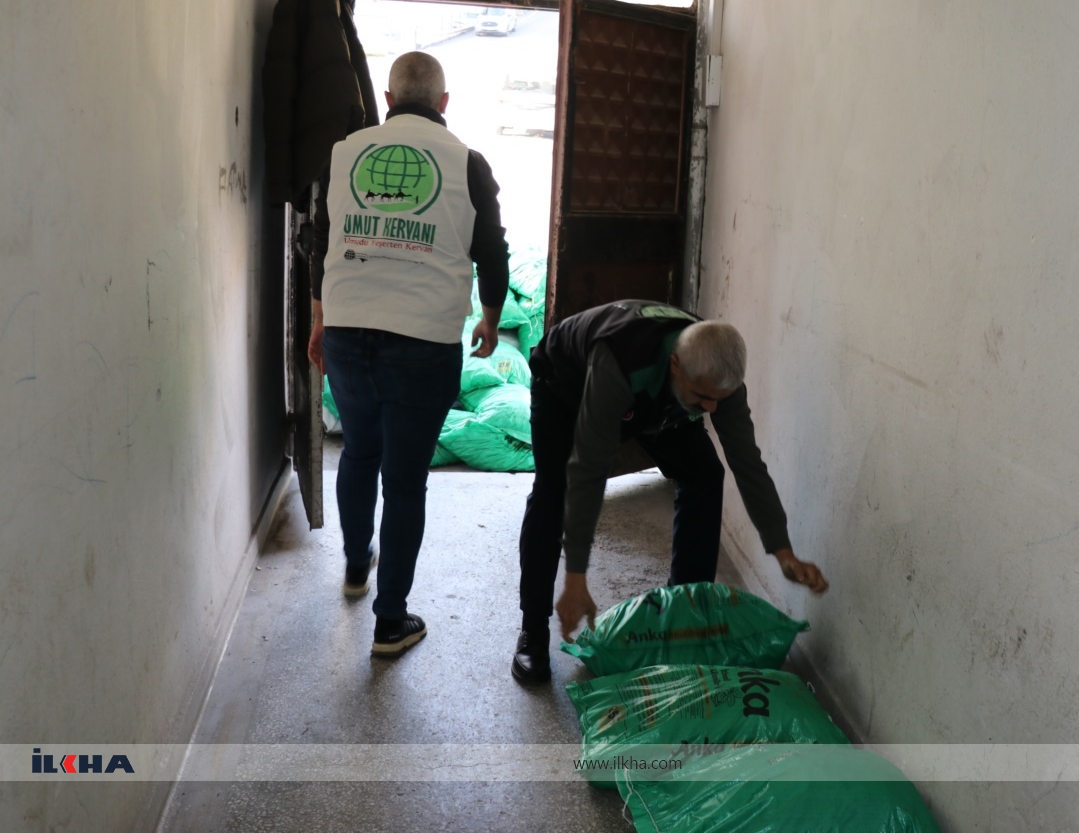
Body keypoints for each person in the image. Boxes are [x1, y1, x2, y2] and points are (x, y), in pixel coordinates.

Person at [308, 51, 509, 657]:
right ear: (443, 103)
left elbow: (322, 241)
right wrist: (490, 317)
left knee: (359, 450)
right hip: (423, 341)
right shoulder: (467, 163)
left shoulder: (344, 153)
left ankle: (355, 565)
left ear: (390, 100)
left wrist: (320, 320)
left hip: (348, 332)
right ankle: (389, 622)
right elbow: (492, 251)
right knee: (404, 481)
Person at [512, 300, 829, 684]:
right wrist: (575, 578)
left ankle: (684, 616)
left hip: (656, 397)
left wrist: (782, 551)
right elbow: (588, 473)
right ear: (677, 366)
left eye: (718, 399)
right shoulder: (620, 362)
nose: (711, 408)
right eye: (703, 398)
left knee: (704, 474)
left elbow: (748, 464)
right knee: (553, 492)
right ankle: (533, 630)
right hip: (568, 385)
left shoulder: (715, 376)